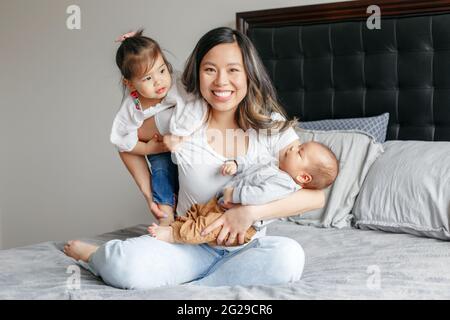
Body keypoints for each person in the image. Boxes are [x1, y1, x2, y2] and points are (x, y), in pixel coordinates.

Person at [63, 27, 326, 289]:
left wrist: (249, 213)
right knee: (125, 265)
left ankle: (192, 287)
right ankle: (95, 256)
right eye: (210, 70)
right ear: (197, 73)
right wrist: (149, 193)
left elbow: (316, 196)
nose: (221, 82)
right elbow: (126, 144)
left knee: (289, 257)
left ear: (249, 73)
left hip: (247, 245)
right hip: (187, 242)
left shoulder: (271, 127)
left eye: (233, 70)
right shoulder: (180, 120)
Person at [148, 141, 339, 246]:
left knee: (205, 226)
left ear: (303, 178)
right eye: (298, 145)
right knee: (197, 212)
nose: (293, 147)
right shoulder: (274, 164)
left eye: (299, 152)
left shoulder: (285, 183)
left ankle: (173, 235)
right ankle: (176, 225)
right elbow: (254, 161)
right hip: (219, 203)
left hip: (237, 220)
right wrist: (237, 164)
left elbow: (260, 195)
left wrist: (235, 194)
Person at [110, 29, 206, 225]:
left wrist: (178, 134)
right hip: (158, 148)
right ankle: (166, 215)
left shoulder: (177, 83)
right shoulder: (132, 105)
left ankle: (193, 214)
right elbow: (122, 140)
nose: (159, 81)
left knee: (191, 174)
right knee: (161, 171)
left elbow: (196, 106)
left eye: (162, 70)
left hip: (186, 141)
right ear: (130, 84)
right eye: (147, 78)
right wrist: (148, 148)